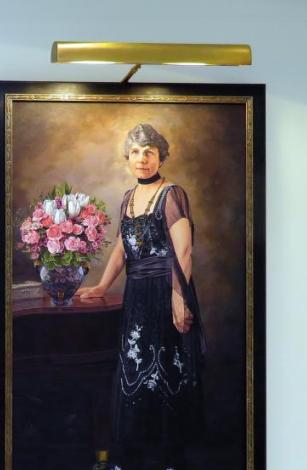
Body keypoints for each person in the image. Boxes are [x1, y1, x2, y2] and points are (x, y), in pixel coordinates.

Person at [77, 124, 205, 470]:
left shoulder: (172, 193)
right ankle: (132, 456)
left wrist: (179, 298)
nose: (142, 159)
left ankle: (168, 458)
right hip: (137, 294)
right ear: (127, 158)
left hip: (167, 289)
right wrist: (103, 286)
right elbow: (122, 247)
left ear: (161, 156)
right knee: (134, 370)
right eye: (135, 152)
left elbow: (185, 251)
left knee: (166, 370)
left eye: (149, 152)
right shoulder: (128, 197)